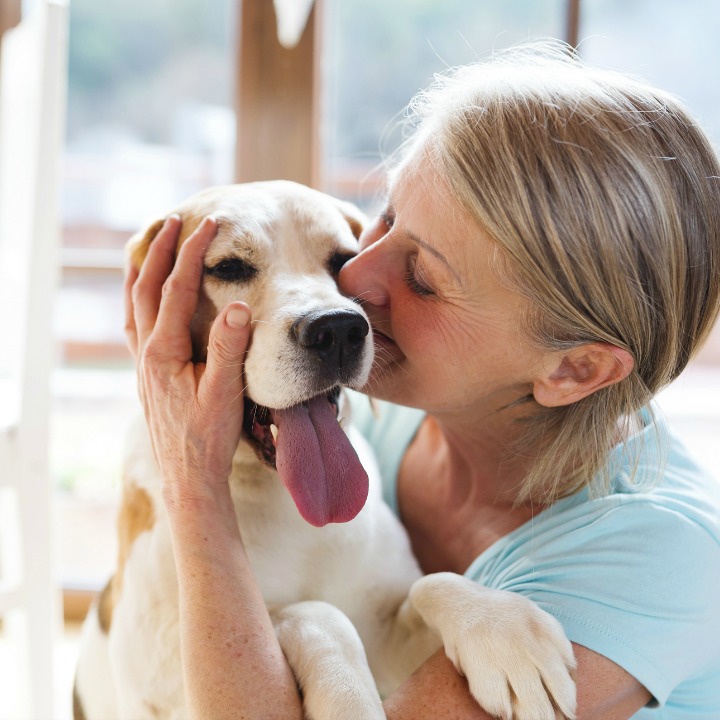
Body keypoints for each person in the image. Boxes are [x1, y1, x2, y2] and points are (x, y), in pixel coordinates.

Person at [125, 41, 720, 719]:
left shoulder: (656, 564)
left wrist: (192, 482)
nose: (352, 284)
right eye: (382, 222)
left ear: (573, 368)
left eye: (423, 277)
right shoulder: (386, 417)